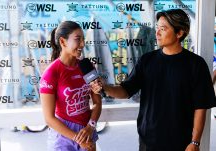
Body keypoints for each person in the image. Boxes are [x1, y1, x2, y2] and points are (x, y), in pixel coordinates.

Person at [90, 9, 216, 151]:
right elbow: (126, 91)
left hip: (181, 143)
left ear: (179, 33)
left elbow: (201, 106)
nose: (157, 33)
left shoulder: (196, 65)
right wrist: (105, 87)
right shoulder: (147, 60)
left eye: (163, 29)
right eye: (157, 28)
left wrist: (195, 142)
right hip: (148, 142)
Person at [39, 21, 102, 151]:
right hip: (63, 138)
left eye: (83, 39)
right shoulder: (51, 72)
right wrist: (77, 139)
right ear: (63, 42)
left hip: (87, 133)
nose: (83, 44)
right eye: (78, 39)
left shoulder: (87, 67)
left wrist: (90, 127)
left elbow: (97, 102)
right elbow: (49, 118)